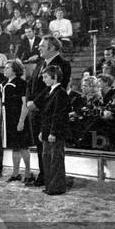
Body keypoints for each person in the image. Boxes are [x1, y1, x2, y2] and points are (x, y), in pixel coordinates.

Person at [26, 36, 71, 187]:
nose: (38, 48)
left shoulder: (63, 65)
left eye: (42, 46)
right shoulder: (40, 64)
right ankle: (44, 175)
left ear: (52, 48)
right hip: (36, 111)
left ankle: (53, 179)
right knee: (41, 147)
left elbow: (54, 88)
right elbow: (30, 84)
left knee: (52, 149)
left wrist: (36, 103)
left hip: (49, 112)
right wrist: (29, 101)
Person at [38, 65, 70, 195]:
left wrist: (53, 132)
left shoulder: (60, 92)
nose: (43, 79)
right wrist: (42, 131)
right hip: (47, 131)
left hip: (55, 132)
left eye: (46, 77)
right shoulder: (49, 91)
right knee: (47, 158)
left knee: (55, 160)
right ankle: (50, 185)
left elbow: (59, 115)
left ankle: (57, 187)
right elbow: (45, 115)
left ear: (55, 77)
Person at [0, 59, 33, 182]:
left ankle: (28, 172)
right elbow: (0, 104)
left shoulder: (22, 83)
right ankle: (15, 173)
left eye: (8, 68)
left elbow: (25, 104)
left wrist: (21, 121)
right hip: (9, 119)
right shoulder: (3, 83)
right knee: (15, 147)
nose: (5, 69)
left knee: (23, 146)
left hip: (19, 117)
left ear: (15, 70)